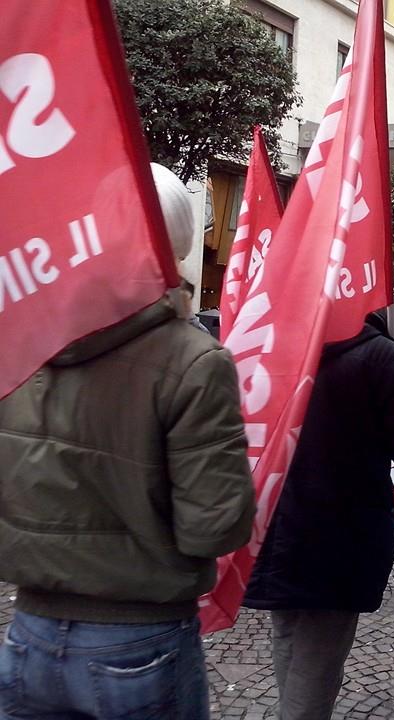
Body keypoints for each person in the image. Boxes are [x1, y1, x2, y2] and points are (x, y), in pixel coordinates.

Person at [0, 164, 256, 720]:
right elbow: (212, 526)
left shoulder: (19, 339)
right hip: (139, 643)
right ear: (178, 247)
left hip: (28, 635)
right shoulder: (194, 361)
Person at [244, 311, 394, 720]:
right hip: (342, 528)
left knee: (291, 633)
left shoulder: (269, 342)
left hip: (274, 519)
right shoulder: (381, 356)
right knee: (316, 653)